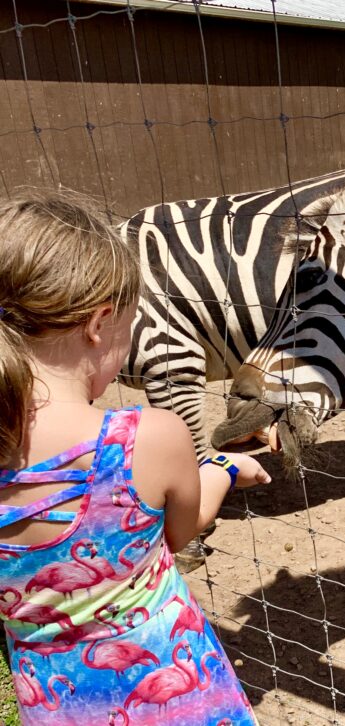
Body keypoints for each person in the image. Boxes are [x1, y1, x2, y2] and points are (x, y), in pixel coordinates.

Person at [0, 190, 271, 725]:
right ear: (100, 323)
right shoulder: (146, 438)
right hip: (179, 701)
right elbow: (181, 530)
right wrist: (225, 468)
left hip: (55, 706)